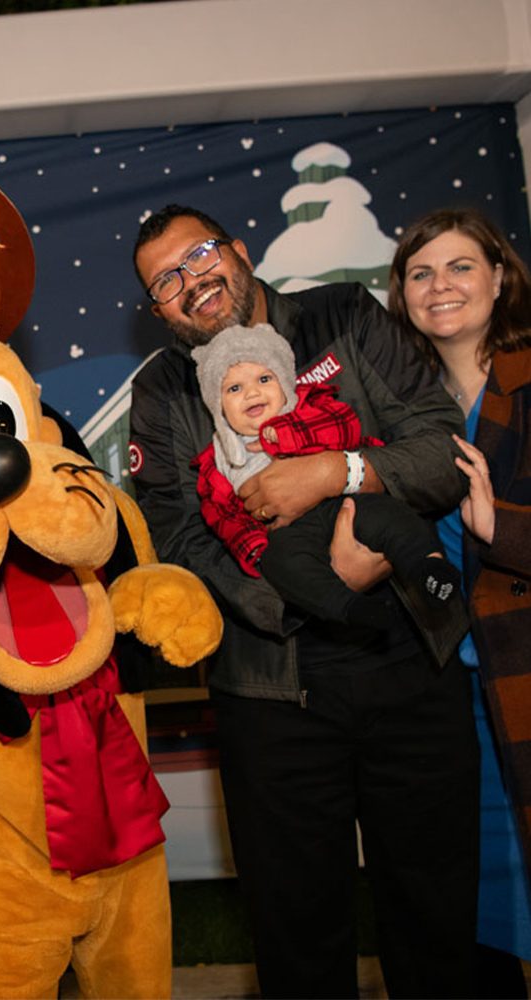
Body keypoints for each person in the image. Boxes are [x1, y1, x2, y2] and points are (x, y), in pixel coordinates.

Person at [129, 204, 480, 998]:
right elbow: (178, 538)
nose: (194, 282)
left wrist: (334, 473)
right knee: (297, 936)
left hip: (413, 668)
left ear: (240, 250)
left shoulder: (345, 316)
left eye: (202, 255)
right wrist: (308, 594)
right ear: (159, 309)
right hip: (271, 691)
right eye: (167, 280)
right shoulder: (162, 393)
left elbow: (438, 447)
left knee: (437, 920)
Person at [389, 206, 531, 998]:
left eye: (460, 266)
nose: (440, 286)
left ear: (500, 276)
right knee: (480, 916)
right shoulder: (412, 418)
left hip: (527, 680)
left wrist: (498, 527)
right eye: (420, 272)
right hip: (455, 703)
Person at [192, 321, 461, 628]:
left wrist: (284, 435)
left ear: (284, 383)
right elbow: (221, 514)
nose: (252, 392)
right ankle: (351, 609)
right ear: (218, 406)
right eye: (234, 388)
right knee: (280, 563)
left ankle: (426, 569)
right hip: (287, 532)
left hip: (343, 503)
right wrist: (253, 545)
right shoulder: (218, 462)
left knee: (392, 516)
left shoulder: (309, 407)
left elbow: (345, 426)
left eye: (265, 378)